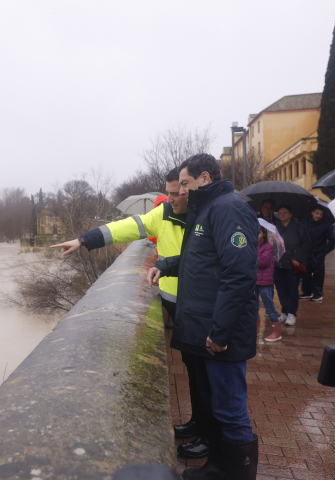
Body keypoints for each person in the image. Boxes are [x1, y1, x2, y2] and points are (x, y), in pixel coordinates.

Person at [51, 168, 210, 460]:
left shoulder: (207, 215)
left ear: (190, 190)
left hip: (202, 306)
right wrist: (84, 240)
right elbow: (127, 227)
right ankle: (198, 423)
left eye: (177, 193)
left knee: (208, 375)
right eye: (170, 192)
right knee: (192, 369)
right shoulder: (162, 214)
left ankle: (210, 437)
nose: (171, 198)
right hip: (177, 306)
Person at [148, 154, 258, 480]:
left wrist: (220, 332)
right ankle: (219, 468)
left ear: (204, 179)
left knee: (230, 407)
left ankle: (235, 473)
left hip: (222, 332)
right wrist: (165, 265)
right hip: (210, 326)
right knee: (219, 404)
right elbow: (199, 259)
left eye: (184, 183)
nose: (180, 191)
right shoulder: (209, 209)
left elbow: (238, 274)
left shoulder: (228, 208)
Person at [273, 205, 309, 326]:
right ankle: (284, 311)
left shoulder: (299, 227)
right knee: (281, 289)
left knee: (292, 289)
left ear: (291, 214)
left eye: (285, 212)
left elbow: (306, 244)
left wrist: (298, 258)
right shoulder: (275, 227)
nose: (282, 214)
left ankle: (291, 313)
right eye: (279, 212)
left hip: (293, 264)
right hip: (278, 264)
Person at [300, 206, 335, 301]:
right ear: (312, 212)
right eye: (317, 213)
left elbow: (332, 240)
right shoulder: (304, 222)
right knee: (305, 273)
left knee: (318, 273)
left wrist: (325, 251)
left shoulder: (327, 224)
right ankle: (306, 292)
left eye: (321, 214)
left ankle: (317, 293)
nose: (319, 216)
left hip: (319, 253)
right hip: (306, 252)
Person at [256, 226, 281, 342]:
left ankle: (277, 332)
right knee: (253, 307)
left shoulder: (269, 247)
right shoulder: (250, 246)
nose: (256, 235)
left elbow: (263, 262)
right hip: (252, 281)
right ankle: (255, 330)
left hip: (264, 283)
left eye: (259, 233)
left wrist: (250, 256)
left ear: (264, 234)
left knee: (269, 307)